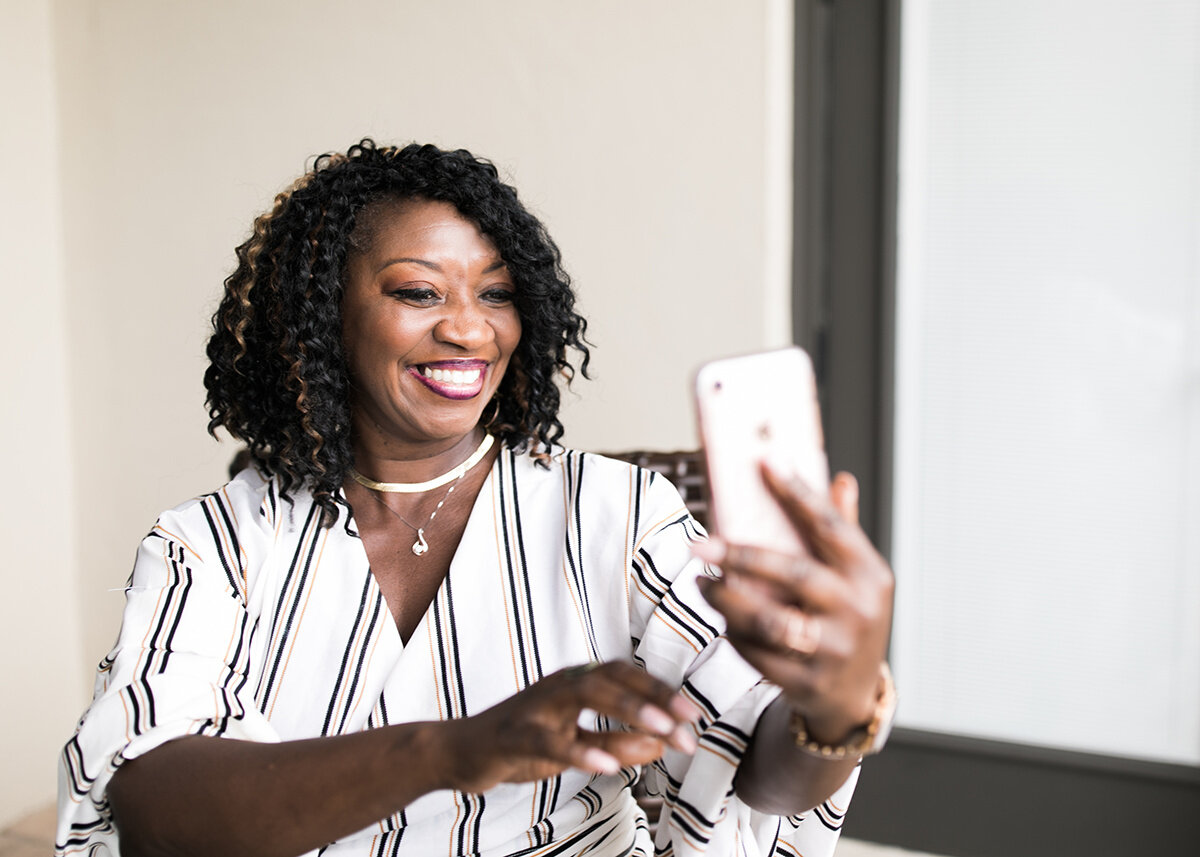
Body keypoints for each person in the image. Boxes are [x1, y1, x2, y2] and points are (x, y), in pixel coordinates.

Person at [56, 140, 895, 857]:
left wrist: (837, 698)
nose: (469, 329)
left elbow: (760, 774)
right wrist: (457, 748)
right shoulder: (214, 543)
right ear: (321, 321)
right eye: (419, 292)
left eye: (495, 293)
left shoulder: (614, 513)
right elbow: (151, 803)